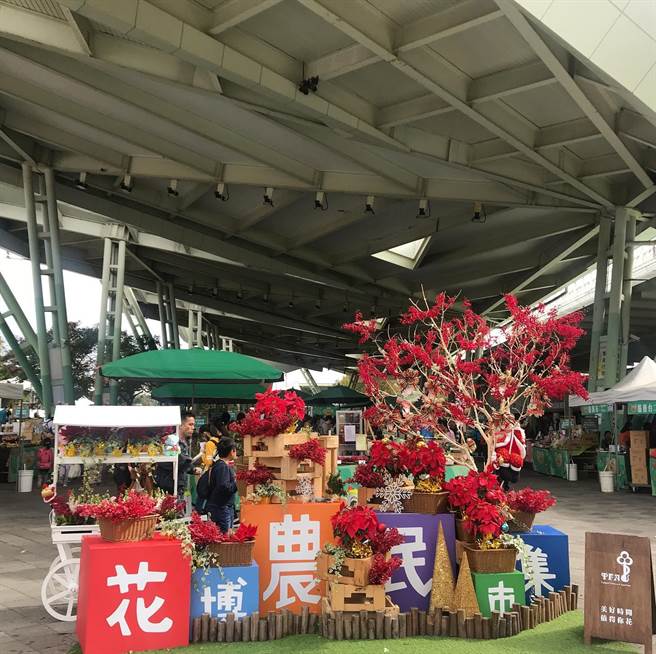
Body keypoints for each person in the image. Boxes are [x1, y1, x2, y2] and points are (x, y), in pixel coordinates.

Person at [155, 411, 195, 497]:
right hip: (169, 487)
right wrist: (192, 468)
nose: (193, 428)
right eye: (190, 424)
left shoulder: (185, 442)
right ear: (181, 425)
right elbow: (168, 462)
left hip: (179, 486)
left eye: (193, 425)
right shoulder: (170, 441)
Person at [206, 437, 238, 533]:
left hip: (221, 506)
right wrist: (237, 484)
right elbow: (224, 487)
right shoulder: (222, 467)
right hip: (222, 508)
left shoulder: (219, 465)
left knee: (223, 534)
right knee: (224, 535)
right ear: (232, 451)